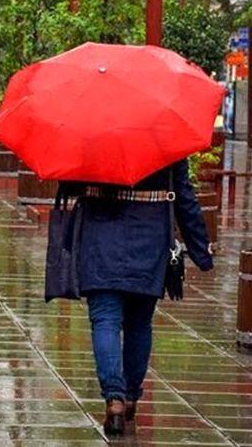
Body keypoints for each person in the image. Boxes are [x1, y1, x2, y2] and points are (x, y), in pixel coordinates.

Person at [72, 161, 212, 436]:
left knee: (105, 319)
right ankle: (131, 396)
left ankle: (114, 400)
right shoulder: (165, 133)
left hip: (101, 237)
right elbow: (183, 194)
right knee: (138, 323)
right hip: (148, 236)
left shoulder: (92, 132)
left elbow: (70, 182)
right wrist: (201, 250)